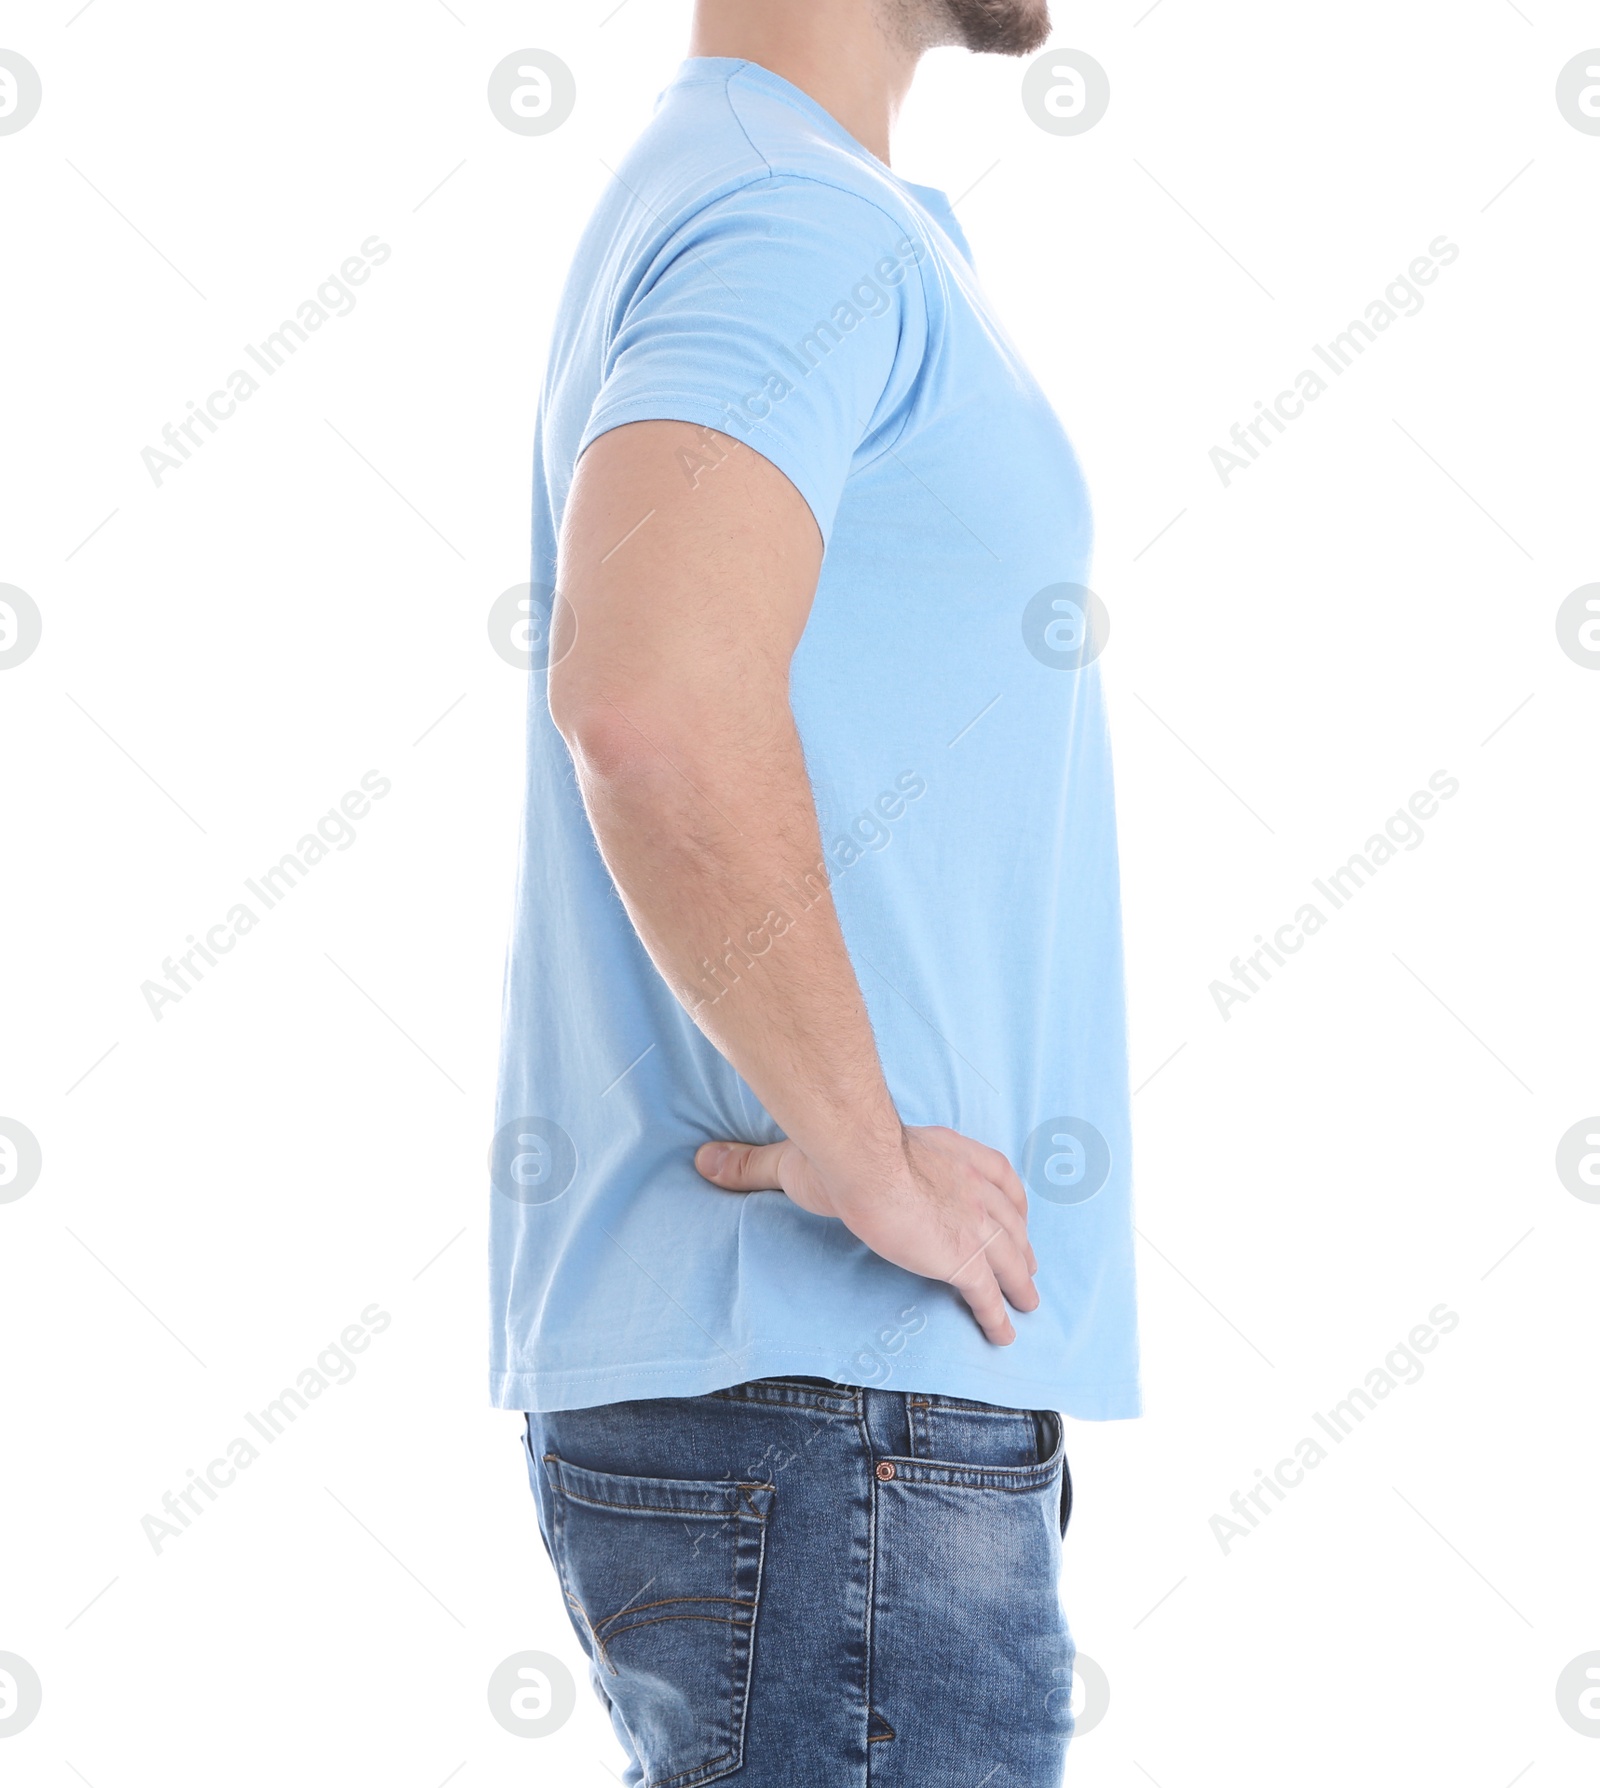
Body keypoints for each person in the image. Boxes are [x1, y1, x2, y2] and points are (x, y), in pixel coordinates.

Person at [489, 1, 1140, 1780]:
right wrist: (861, 1147)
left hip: (822, 1399)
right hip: (824, 1391)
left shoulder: (780, 199)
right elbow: (653, 705)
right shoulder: (792, 221)